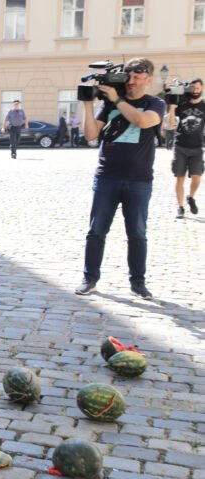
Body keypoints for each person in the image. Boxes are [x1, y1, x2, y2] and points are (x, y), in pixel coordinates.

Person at [75, 58, 165, 300]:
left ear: (148, 80)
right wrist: (88, 106)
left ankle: (138, 283)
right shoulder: (109, 104)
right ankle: (89, 278)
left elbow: (142, 121)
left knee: (137, 234)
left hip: (139, 180)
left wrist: (117, 99)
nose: (131, 81)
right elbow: (92, 135)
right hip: (107, 177)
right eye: (129, 76)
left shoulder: (155, 103)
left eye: (137, 77)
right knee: (96, 231)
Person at [168, 78, 203, 219]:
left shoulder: (204, 106)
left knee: (197, 178)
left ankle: (191, 197)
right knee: (180, 178)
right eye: (193, 88)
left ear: (202, 88)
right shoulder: (181, 105)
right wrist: (172, 107)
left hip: (197, 147)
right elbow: (171, 124)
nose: (195, 91)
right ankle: (180, 207)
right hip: (180, 146)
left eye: (198, 88)